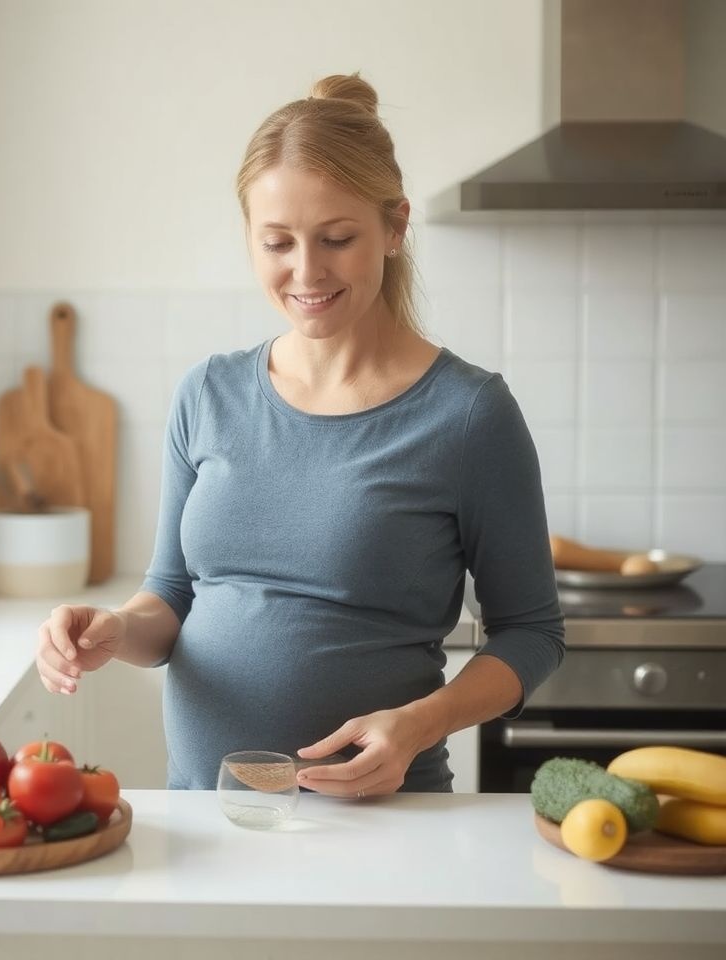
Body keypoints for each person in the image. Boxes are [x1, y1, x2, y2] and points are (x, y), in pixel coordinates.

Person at [34, 73, 565, 796]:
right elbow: (171, 595)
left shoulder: (468, 415)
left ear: (395, 226)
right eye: (277, 242)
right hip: (207, 818)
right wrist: (115, 630)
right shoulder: (208, 394)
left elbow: (532, 633)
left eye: (337, 239)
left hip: (379, 827)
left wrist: (418, 724)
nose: (306, 271)